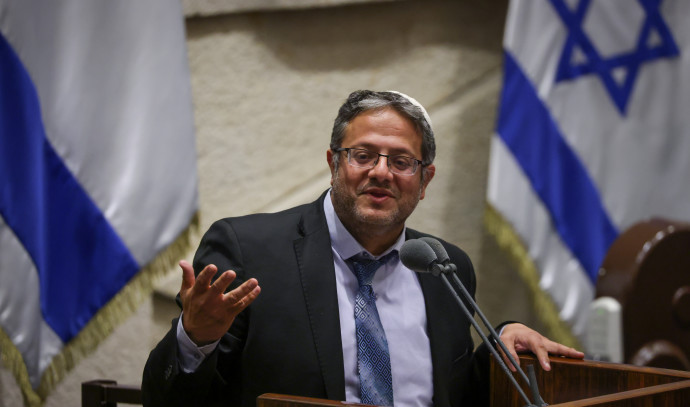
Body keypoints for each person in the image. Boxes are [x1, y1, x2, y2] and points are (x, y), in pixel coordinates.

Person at [142, 90, 584, 407]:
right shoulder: (248, 250)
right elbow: (168, 400)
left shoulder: (445, 267)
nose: (382, 172)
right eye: (363, 155)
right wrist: (195, 339)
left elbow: (457, 393)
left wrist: (498, 342)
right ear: (334, 163)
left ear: (425, 180)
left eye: (401, 161)